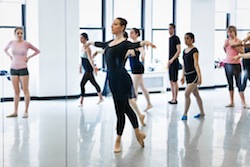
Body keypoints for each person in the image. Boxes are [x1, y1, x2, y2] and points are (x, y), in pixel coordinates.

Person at [85, 17, 156, 153]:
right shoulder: (110, 43)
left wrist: (145, 42)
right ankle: (138, 133)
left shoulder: (125, 43)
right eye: (112, 24)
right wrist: (90, 42)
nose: (112, 26)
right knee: (126, 108)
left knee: (120, 111)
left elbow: (135, 45)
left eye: (115, 24)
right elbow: (100, 44)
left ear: (122, 27)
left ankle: (118, 139)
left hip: (122, 80)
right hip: (112, 80)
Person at [4, 27, 40, 118]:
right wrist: (9, 56)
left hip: (23, 69)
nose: (19, 35)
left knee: (25, 90)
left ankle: (26, 111)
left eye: (21, 33)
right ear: (15, 34)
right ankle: (15, 111)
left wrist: (28, 57)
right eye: (18, 33)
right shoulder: (11, 43)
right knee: (16, 91)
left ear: (23, 34)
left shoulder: (26, 44)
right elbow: (5, 49)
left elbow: (37, 51)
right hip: (13, 69)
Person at [127, 28, 153, 111]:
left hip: (137, 68)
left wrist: (143, 56)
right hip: (134, 68)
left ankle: (134, 107)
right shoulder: (130, 44)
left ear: (137, 34)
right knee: (142, 87)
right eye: (130, 33)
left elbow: (143, 51)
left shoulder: (138, 44)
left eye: (132, 33)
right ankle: (149, 104)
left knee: (134, 88)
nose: (130, 34)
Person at [180, 32, 205, 120]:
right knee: (196, 95)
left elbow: (196, 64)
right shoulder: (184, 51)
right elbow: (184, 64)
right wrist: (182, 76)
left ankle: (185, 114)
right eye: (184, 38)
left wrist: (200, 77)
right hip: (187, 75)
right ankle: (202, 112)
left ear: (192, 39)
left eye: (187, 38)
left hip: (194, 76)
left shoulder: (195, 50)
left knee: (186, 94)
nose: (185, 40)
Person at [223, 25, 247, 108]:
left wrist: (235, 46)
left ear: (235, 32)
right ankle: (231, 102)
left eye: (231, 32)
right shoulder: (227, 40)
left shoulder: (238, 41)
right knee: (230, 83)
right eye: (228, 32)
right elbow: (226, 51)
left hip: (236, 64)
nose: (230, 33)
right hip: (227, 64)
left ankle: (244, 102)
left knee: (238, 83)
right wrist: (224, 46)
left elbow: (243, 52)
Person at [78, 33, 104, 107]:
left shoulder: (87, 48)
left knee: (82, 84)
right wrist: (80, 67)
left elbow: (90, 58)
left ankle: (81, 102)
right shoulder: (82, 47)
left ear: (86, 39)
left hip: (88, 69)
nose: (80, 39)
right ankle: (101, 98)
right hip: (85, 68)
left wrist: (94, 68)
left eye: (82, 38)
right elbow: (82, 58)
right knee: (94, 83)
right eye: (80, 38)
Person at [168, 23, 181, 104]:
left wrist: (172, 59)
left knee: (175, 81)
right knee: (171, 80)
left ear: (173, 29)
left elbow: (178, 50)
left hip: (174, 62)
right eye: (168, 28)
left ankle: (175, 98)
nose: (169, 30)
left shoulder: (176, 38)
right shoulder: (170, 39)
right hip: (170, 62)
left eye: (170, 28)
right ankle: (172, 97)